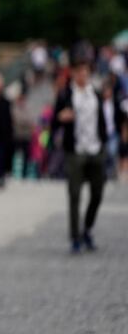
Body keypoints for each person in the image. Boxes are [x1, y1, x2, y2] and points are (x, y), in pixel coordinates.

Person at [51, 60, 107, 253]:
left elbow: (103, 120)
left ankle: (88, 228)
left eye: (85, 72)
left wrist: (104, 143)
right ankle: (75, 237)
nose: (82, 75)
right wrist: (60, 117)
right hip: (75, 150)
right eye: (79, 72)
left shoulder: (96, 94)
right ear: (73, 74)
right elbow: (54, 122)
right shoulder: (66, 94)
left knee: (98, 194)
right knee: (74, 195)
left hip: (95, 148)